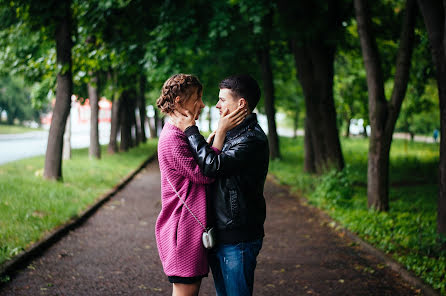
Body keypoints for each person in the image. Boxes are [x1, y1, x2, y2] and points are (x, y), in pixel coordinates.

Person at [171, 74, 269, 296]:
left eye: (222, 100)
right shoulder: (232, 134)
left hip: (238, 237)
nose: (216, 105)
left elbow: (212, 166)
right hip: (221, 234)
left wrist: (190, 130)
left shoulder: (251, 139)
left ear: (241, 103)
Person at [154, 73, 246, 296]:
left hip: (186, 229)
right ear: (179, 101)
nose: (203, 104)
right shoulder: (173, 137)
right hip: (181, 231)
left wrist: (208, 141)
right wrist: (221, 135)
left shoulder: (178, 134)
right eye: (197, 98)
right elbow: (205, 174)